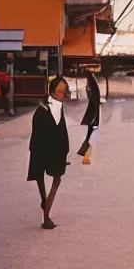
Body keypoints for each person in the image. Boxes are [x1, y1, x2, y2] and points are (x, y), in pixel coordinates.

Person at [27, 76, 70, 230]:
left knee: (56, 179)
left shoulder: (58, 107)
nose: (62, 96)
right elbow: (39, 135)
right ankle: (46, 213)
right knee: (42, 178)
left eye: (64, 93)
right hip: (42, 149)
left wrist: (64, 153)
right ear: (52, 92)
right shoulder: (43, 110)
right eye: (59, 92)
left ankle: (46, 209)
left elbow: (62, 132)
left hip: (55, 150)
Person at [78, 72, 101, 164]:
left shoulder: (92, 89)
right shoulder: (94, 87)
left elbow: (92, 100)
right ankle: (84, 152)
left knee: (89, 135)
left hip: (92, 116)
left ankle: (85, 153)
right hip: (92, 116)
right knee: (89, 134)